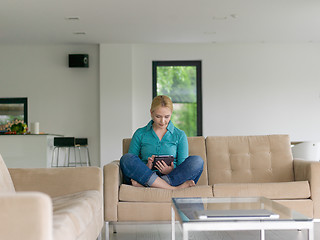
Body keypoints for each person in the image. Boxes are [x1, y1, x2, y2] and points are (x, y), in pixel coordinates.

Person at [120, 95, 204, 190]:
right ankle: (172, 188)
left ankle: (149, 185)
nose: (162, 121)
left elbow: (182, 165)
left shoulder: (179, 135)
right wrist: (147, 166)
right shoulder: (140, 133)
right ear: (151, 113)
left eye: (167, 117)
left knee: (197, 161)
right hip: (145, 174)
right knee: (126, 158)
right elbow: (132, 160)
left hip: (171, 176)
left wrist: (170, 170)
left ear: (171, 114)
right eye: (158, 116)